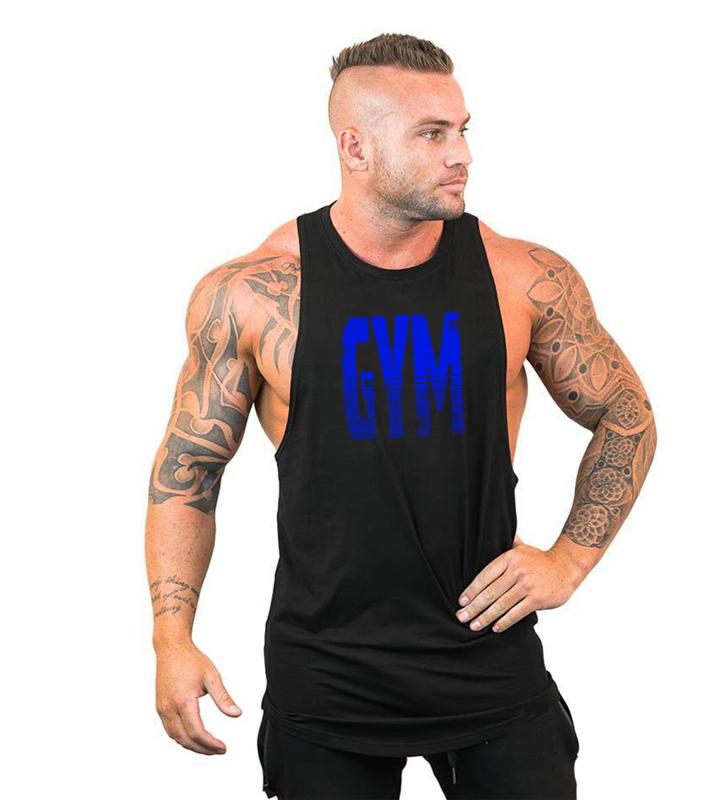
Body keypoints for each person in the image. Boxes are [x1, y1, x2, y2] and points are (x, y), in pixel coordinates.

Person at [145, 32, 657, 800]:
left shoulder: (522, 278)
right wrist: (171, 640)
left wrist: (568, 562)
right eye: (432, 134)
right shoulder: (255, 293)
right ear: (356, 147)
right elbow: (190, 469)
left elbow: (625, 411)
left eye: (463, 130)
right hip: (328, 674)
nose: (462, 155)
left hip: (488, 659)